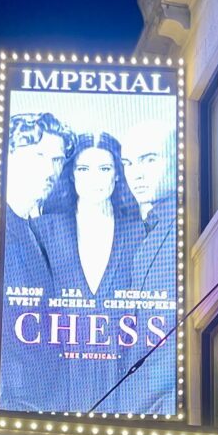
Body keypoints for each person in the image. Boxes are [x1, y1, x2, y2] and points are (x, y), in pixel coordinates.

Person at [35, 131, 145, 412]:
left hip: (123, 390)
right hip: (56, 390)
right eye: (84, 169)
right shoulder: (43, 231)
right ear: (72, 175)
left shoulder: (139, 233)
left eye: (104, 168)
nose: (94, 178)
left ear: (117, 174)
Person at [0, 111, 76, 412]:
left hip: (45, 400)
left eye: (56, 160)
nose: (50, 169)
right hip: (15, 401)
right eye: (39, 155)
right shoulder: (0, 228)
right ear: (11, 154)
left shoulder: (36, 231)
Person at [115, 120, 178, 414]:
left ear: (177, 158)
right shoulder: (144, 236)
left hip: (163, 403)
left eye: (149, 159)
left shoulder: (180, 227)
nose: (136, 174)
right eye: (128, 163)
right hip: (139, 404)